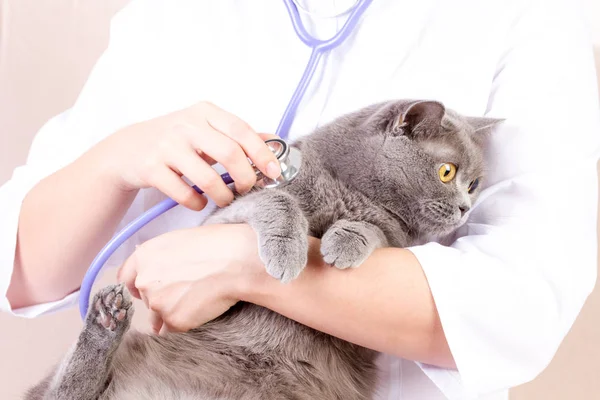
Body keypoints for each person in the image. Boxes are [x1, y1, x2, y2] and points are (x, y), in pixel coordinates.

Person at [1, 0, 599, 399]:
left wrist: (245, 265)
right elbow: (24, 272)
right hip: (161, 373)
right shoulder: (171, 13)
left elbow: (517, 307)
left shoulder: (532, 16)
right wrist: (116, 159)